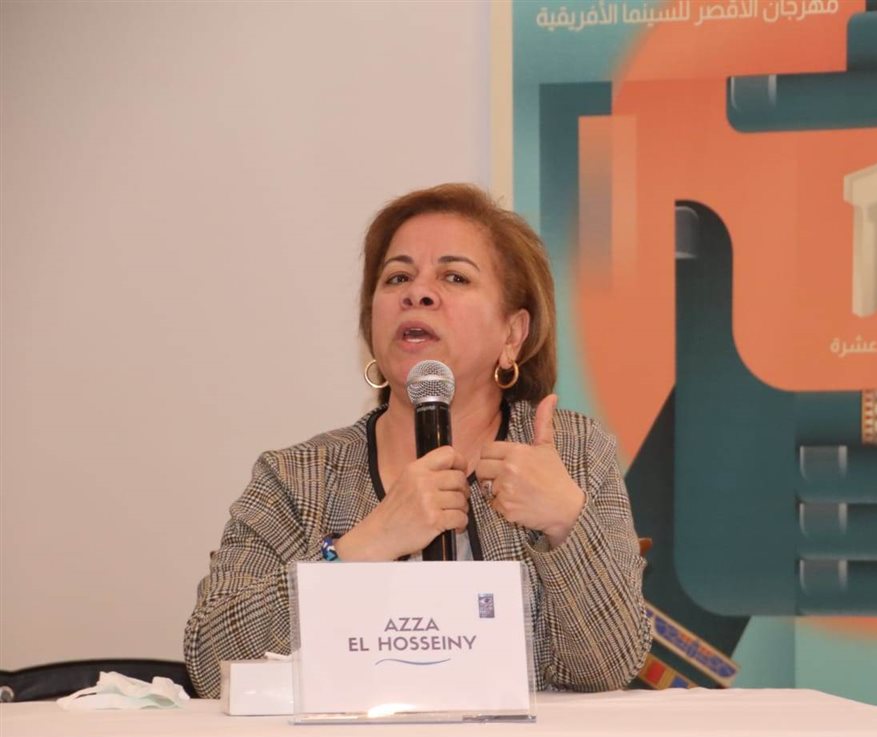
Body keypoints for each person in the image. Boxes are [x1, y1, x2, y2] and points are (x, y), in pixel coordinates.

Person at [184, 184, 651, 698]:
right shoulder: (299, 477)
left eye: (454, 277)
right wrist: (361, 550)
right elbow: (212, 664)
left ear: (512, 334)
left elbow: (608, 667)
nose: (417, 294)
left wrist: (564, 522)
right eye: (397, 278)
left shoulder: (573, 453)